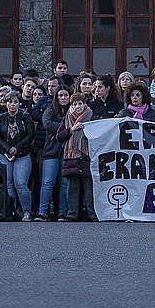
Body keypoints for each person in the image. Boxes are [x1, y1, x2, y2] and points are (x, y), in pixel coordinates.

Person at [0, 91, 35, 220]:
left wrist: (17, 148)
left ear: (19, 103)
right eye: (10, 102)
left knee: (21, 184)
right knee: (8, 185)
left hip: (22, 154)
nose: (13, 105)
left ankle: (27, 211)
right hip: (4, 154)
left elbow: (30, 134)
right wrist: (7, 148)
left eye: (15, 102)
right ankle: (11, 211)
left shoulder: (26, 116)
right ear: (6, 103)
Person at [59, 93, 96, 221]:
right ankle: (72, 214)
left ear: (84, 104)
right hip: (71, 157)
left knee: (89, 188)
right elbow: (59, 136)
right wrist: (71, 129)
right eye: (74, 104)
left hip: (87, 156)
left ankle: (91, 214)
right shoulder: (66, 118)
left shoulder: (91, 116)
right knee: (72, 188)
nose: (77, 106)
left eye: (80, 103)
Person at [39, 86, 72, 221]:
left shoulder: (73, 110)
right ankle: (42, 212)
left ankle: (63, 213)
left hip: (67, 152)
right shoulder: (50, 110)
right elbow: (46, 124)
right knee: (47, 182)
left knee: (65, 184)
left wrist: (60, 129)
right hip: (51, 151)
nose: (63, 98)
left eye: (65, 95)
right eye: (60, 95)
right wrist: (66, 129)